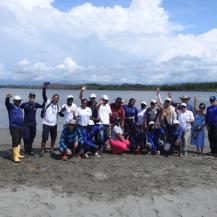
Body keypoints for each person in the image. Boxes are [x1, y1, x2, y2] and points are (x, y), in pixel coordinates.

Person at [40, 82, 60, 156]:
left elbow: (60, 114)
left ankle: (51, 149)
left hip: (54, 125)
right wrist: (44, 88)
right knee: (44, 138)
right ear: (52, 98)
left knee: (54, 137)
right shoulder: (47, 102)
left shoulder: (58, 106)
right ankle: (42, 150)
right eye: (55, 98)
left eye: (57, 99)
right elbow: (44, 95)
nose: (56, 100)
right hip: (46, 124)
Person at [5, 94, 24, 163]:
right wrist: (7, 98)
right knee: (15, 140)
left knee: (19, 140)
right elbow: (7, 103)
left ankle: (17, 154)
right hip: (13, 126)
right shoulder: (11, 107)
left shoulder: (19, 108)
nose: (19, 102)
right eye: (17, 101)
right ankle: (15, 157)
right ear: (14, 101)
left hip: (20, 126)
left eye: (19, 101)